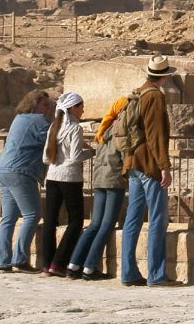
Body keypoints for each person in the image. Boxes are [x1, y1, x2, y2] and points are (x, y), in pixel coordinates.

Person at [120, 56, 178, 287]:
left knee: (132, 219)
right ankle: (156, 274)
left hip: (133, 161)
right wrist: (164, 166)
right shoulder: (154, 96)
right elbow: (156, 135)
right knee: (157, 218)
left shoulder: (138, 92)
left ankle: (128, 272)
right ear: (165, 76)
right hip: (149, 164)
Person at [66, 95, 128, 280]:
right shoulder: (121, 129)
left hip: (99, 180)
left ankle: (73, 264)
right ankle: (90, 267)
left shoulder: (104, 128)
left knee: (94, 224)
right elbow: (124, 156)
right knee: (106, 225)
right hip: (114, 180)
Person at [0, 90, 53, 273]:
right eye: (45, 105)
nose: (47, 109)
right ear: (34, 104)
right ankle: (20, 258)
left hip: (4, 169)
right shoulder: (39, 121)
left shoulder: (19, 119)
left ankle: (2, 261)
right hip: (21, 171)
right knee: (32, 215)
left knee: (8, 218)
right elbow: (54, 137)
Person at [39, 92, 92, 276]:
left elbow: (46, 157)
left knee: (50, 221)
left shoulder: (54, 126)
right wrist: (93, 152)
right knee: (76, 221)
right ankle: (59, 263)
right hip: (69, 178)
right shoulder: (75, 128)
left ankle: (47, 264)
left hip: (52, 177)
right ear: (72, 108)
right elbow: (75, 157)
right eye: (81, 106)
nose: (83, 110)